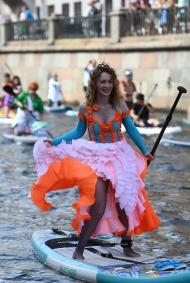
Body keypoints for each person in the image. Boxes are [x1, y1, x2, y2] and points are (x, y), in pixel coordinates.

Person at [31, 63, 160, 260]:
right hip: (97, 158)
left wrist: (145, 151)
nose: (106, 85)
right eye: (102, 82)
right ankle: (79, 250)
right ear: (95, 84)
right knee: (97, 205)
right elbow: (78, 132)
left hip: (120, 156)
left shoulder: (120, 105)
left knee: (124, 203)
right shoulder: (86, 108)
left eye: (109, 81)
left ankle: (127, 245)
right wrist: (55, 142)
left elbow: (132, 130)